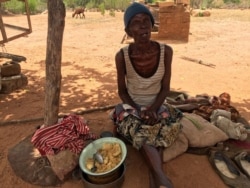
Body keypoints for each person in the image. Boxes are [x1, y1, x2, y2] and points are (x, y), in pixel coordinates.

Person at [111, 2, 183, 188]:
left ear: (152, 25)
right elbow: (122, 92)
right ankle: (161, 177)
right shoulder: (122, 56)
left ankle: (156, 178)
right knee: (138, 126)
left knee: (161, 124)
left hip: (158, 104)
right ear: (128, 30)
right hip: (132, 106)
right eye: (136, 22)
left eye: (146, 21)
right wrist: (139, 110)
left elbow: (165, 88)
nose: (143, 26)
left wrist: (153, 109)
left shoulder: (166, 52)